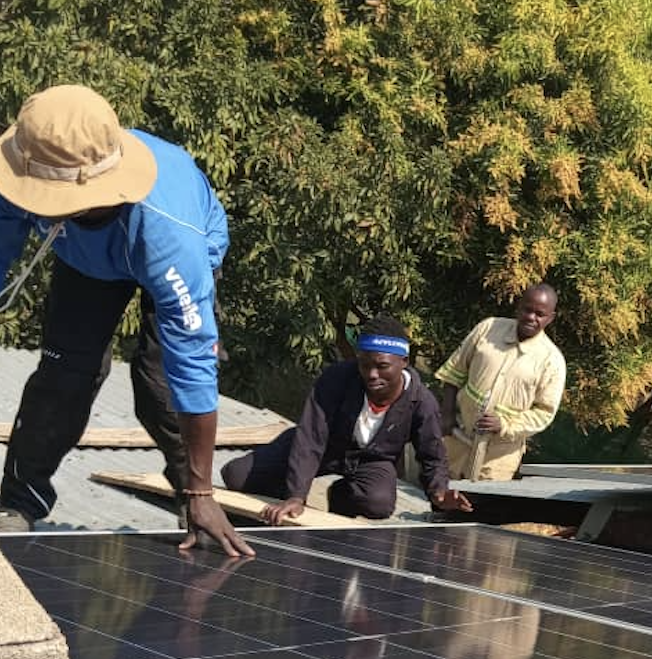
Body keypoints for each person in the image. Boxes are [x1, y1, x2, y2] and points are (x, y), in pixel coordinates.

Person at [0, 84, 252, 556]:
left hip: (167, 247)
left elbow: (193, 368)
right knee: (63, 376)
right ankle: (19, 500)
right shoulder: (28, 164)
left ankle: (192, 497)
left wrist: (202, 491)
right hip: (84, 258)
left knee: (159, 385)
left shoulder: (169, 237)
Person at [220, 315, 473, 523]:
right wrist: (296, 495)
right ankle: (282, 497)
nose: (371, 374)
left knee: (378, 502)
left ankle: (341, 497)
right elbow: (310, 437)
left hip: (371, 460)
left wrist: (439, 492)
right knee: (237, 476)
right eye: (364, 365)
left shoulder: (422, 402)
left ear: (403, 362)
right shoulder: (337, 379)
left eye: (382, 366)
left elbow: (432, 455)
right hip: (325, 447)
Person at [436, 283, 566, 481]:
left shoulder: (552, 361)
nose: (531, 317)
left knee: (478, 500)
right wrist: (446, 415)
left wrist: (503, 425)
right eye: (527, 310)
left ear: (550, 318)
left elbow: (543, 414)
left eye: (540, 314)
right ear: (519, 307)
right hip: (457, 440)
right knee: (438, 494)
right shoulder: (488, 328)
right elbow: (454, 372)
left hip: (498, 457)